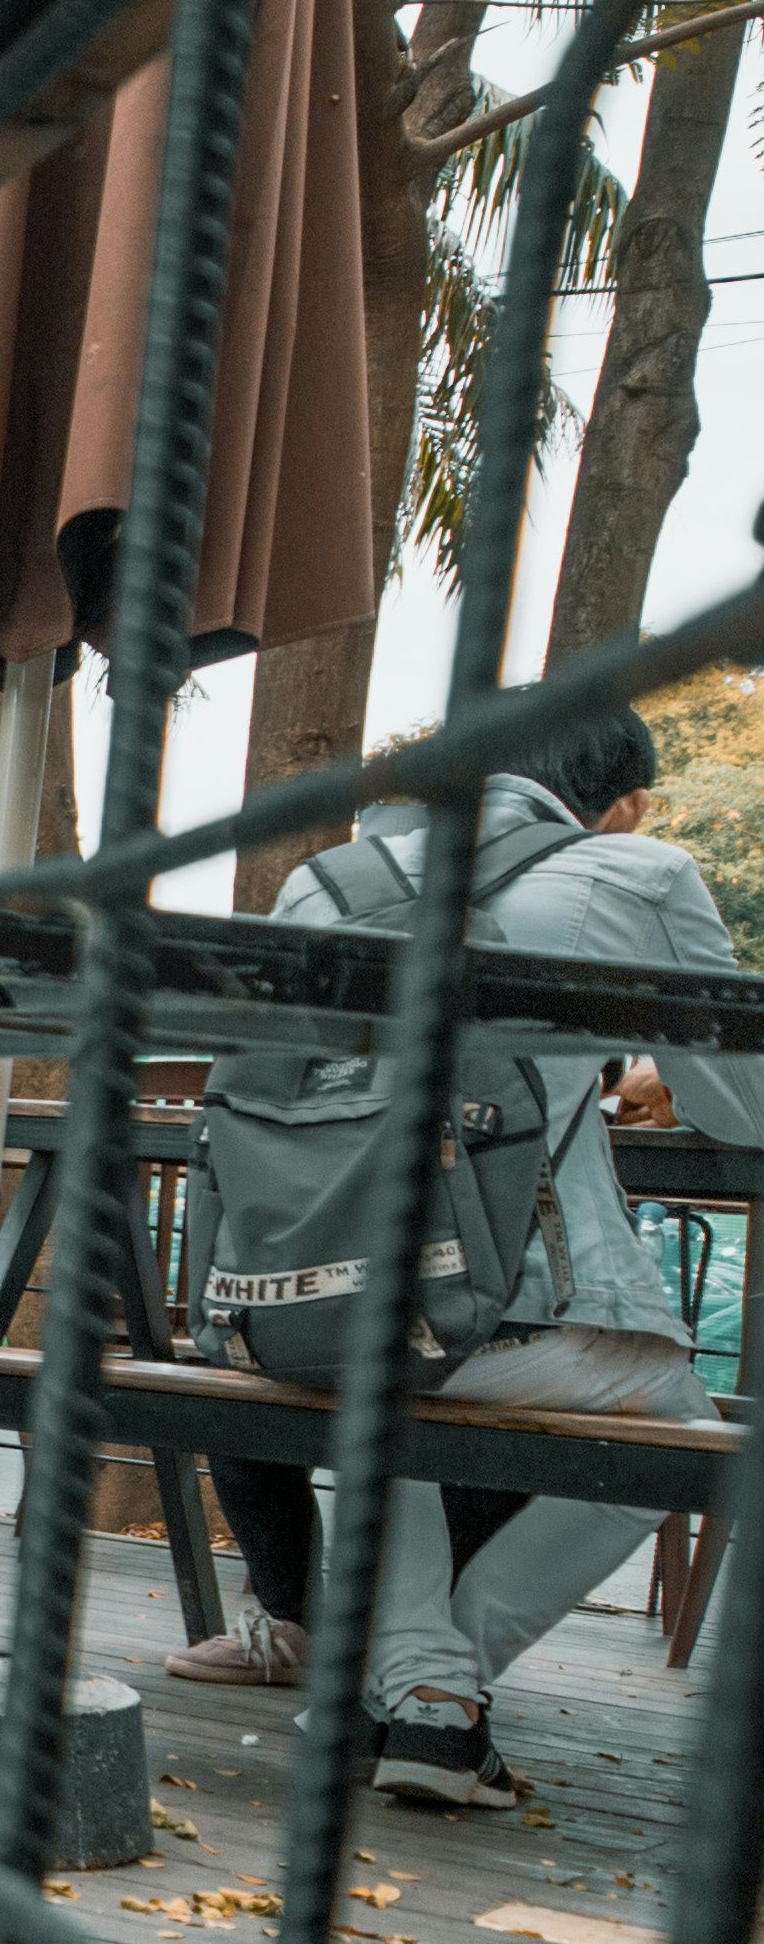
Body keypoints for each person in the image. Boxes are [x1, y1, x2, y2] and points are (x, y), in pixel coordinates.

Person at [222, 702, 764, 1809]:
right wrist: (642, 1072)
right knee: (680, 1435)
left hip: (287, 1307)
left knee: (399, 1391)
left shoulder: (326, 880)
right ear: (624, 803)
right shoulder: (636, 871)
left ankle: (417, 1703)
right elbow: (740, 1107)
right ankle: (430, 1694)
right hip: (497, 1312)